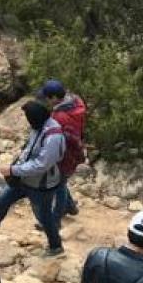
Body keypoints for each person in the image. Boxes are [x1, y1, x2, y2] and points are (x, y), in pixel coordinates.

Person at [0, 101, 66, 256]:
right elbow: (29, 149)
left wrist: (13, 170)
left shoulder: (54, 137)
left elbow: (42, 164)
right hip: (23, 179)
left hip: (41, 184)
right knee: (1, 201)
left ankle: (55, 246)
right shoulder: (38, 126)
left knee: (44, 217)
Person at [40, 80, 87, 217]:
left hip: (64, 154)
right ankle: (70, 206)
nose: (46, 101)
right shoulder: (76, 103)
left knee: (58, 185)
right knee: (61, 180)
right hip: (74, 148)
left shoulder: (60, 117)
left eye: (48, 98)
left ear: (54, 97)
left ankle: (56, 217)